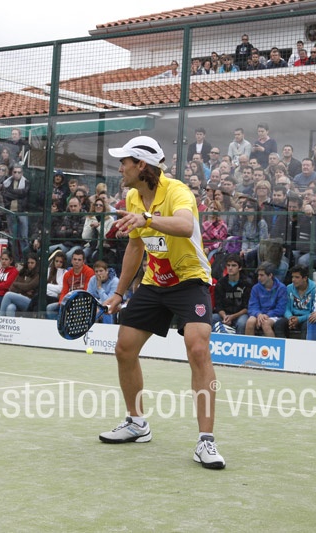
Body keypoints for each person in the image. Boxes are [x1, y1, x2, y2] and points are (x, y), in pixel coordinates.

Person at [99, 135, 225, 470]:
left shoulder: (177, 191)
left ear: (141, 165)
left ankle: (206, 441)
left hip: (190, 279)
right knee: (124, 347)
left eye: (124, 162)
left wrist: (147, 219)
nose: (120, 168)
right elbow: (135, 247)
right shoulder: (132, 196)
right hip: (155, 282)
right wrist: (119, 293)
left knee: (198, 348)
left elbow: (184, 225)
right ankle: (137, 423)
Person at [45, 248, 94, 319]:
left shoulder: (89, 272)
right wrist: (61, 303)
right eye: (75, 259)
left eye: (79, 260)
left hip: (84, 301)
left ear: (83, 261)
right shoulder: (67, 274)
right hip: (70, 301)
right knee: (50, 308)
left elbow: (87, 292)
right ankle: (58, 324)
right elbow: (64, 291)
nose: (76, 262)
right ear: (71, 261)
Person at [244, 262, 287, 337]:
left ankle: (272, 344)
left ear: (270, 275)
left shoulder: (281, 288)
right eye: (258, 275)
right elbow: (252, 306)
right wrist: (259, 314)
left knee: (265, 324)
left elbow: (280, 309)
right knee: (250, 322)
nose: (259, 278)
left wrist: (267, 315)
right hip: (259, 314)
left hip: (274, 315)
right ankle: (249, 344)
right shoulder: (255, 288)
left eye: (262, 275)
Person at [211, 255, 251, 335]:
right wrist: (224, 316)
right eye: (228, 265)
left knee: (242, 322)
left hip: (240, 315)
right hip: (224, 315)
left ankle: (239, 341)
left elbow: (247, 307)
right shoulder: (221, 283)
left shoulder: (247, 283)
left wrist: (232, 316)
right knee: (212, 318)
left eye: (233, 265)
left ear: (240, 268)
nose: (230, 268)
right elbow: (218, 305)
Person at [274, 265, 316, 339]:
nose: (293, 280)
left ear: (305, 278)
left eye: (297, 277)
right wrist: (290, 318)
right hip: (292, 317)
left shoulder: (315, 289)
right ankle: (283, 345)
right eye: (292, 277)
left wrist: (299, 319)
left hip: (306, 318)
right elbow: (286, 308)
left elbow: (314, 312)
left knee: (307, 325)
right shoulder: (289, 288)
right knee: (279, 324)